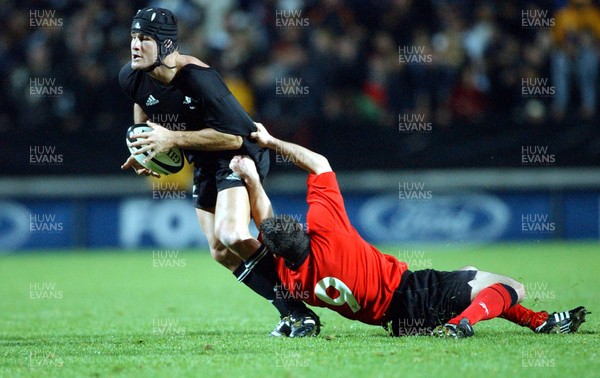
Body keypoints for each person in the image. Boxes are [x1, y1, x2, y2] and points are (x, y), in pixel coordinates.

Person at [228, 122, 589, 338]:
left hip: (399, 322)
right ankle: (463, 324)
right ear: (306, 232)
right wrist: (271, 144)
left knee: (470, 276)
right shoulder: (328, 231)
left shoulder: (292, 280)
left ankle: (540, 322)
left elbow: (266, 223)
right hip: (413, 293)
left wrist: (249, 180)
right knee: (512, 287)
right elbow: (319, 164)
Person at [118, 7, 319, 337]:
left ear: (167, 45)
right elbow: (141, 99)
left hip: (238, 154)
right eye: (133, 38)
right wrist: (143, 145)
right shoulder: (131, 75)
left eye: (145, 39)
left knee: (233, 234)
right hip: (204, 158)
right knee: (220, 251)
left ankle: (301, 304)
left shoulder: (200, 79)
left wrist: (172, 137)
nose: (135, 46)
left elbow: (237, 135)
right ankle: (291, 313)